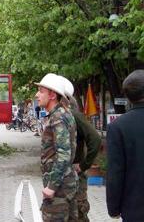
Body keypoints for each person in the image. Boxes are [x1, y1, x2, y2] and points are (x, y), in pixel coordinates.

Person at [35, 73, 78, 222]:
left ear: (52, 95)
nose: (36, 95)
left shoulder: (58, 118)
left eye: (41, 91)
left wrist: (51, 187)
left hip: (59, 189)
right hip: (66, 184)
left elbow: (64, 155)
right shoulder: (63, 114)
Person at [60, 76, 101, 222]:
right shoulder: (59, 116)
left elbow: (95, 140)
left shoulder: (74, 115)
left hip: (75, 177)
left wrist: (84, 165)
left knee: (78, 214)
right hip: (62, 179)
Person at [106, 69, 144, 221]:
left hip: (134, 209)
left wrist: (113, 208)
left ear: (127, 96)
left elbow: (115, 171)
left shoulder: (118, 127)